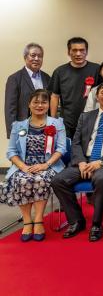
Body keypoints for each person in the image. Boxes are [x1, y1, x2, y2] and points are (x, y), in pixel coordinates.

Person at [51, 81, 103, 241]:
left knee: (100, 178)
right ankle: (76, 220)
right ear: (97, 96)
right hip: (84, 161)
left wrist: (100, 162)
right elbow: (76, 142)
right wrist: (81, 162)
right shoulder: (85, 116)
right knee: (58, 181)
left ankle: (96, 224)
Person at [0, 90, 65, 242]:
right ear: (29, 104)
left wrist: (45, 165)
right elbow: (11, 151)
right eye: (36, 102)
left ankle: (38, 220)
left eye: (43, 102)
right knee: (21, 179)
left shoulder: (57, 123)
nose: (39, 105)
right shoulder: (18, 125)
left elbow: (61, 148)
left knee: (40, 179)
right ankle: (27, 221)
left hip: (49, 165)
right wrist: (22, 166)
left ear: (48, 105)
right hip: (24, 165)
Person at [49, 37, 101, 137]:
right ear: (69, 52)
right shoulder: (60, 71)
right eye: (74, 50)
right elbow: (54, 96)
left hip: (91, 121)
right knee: (67, 147)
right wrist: (53, 120)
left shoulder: (97, 69)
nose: (78, 54)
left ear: (86, 52)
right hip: (67, 123)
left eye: (82, 50)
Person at [4, 43, 51, 138]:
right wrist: (13, 134)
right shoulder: (15, 78)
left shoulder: (47, 78)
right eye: (33, 55)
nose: (36, 59)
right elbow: (10, 109)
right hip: (23, 129)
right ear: (25, 57)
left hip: (45, 128)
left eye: (40, 56)